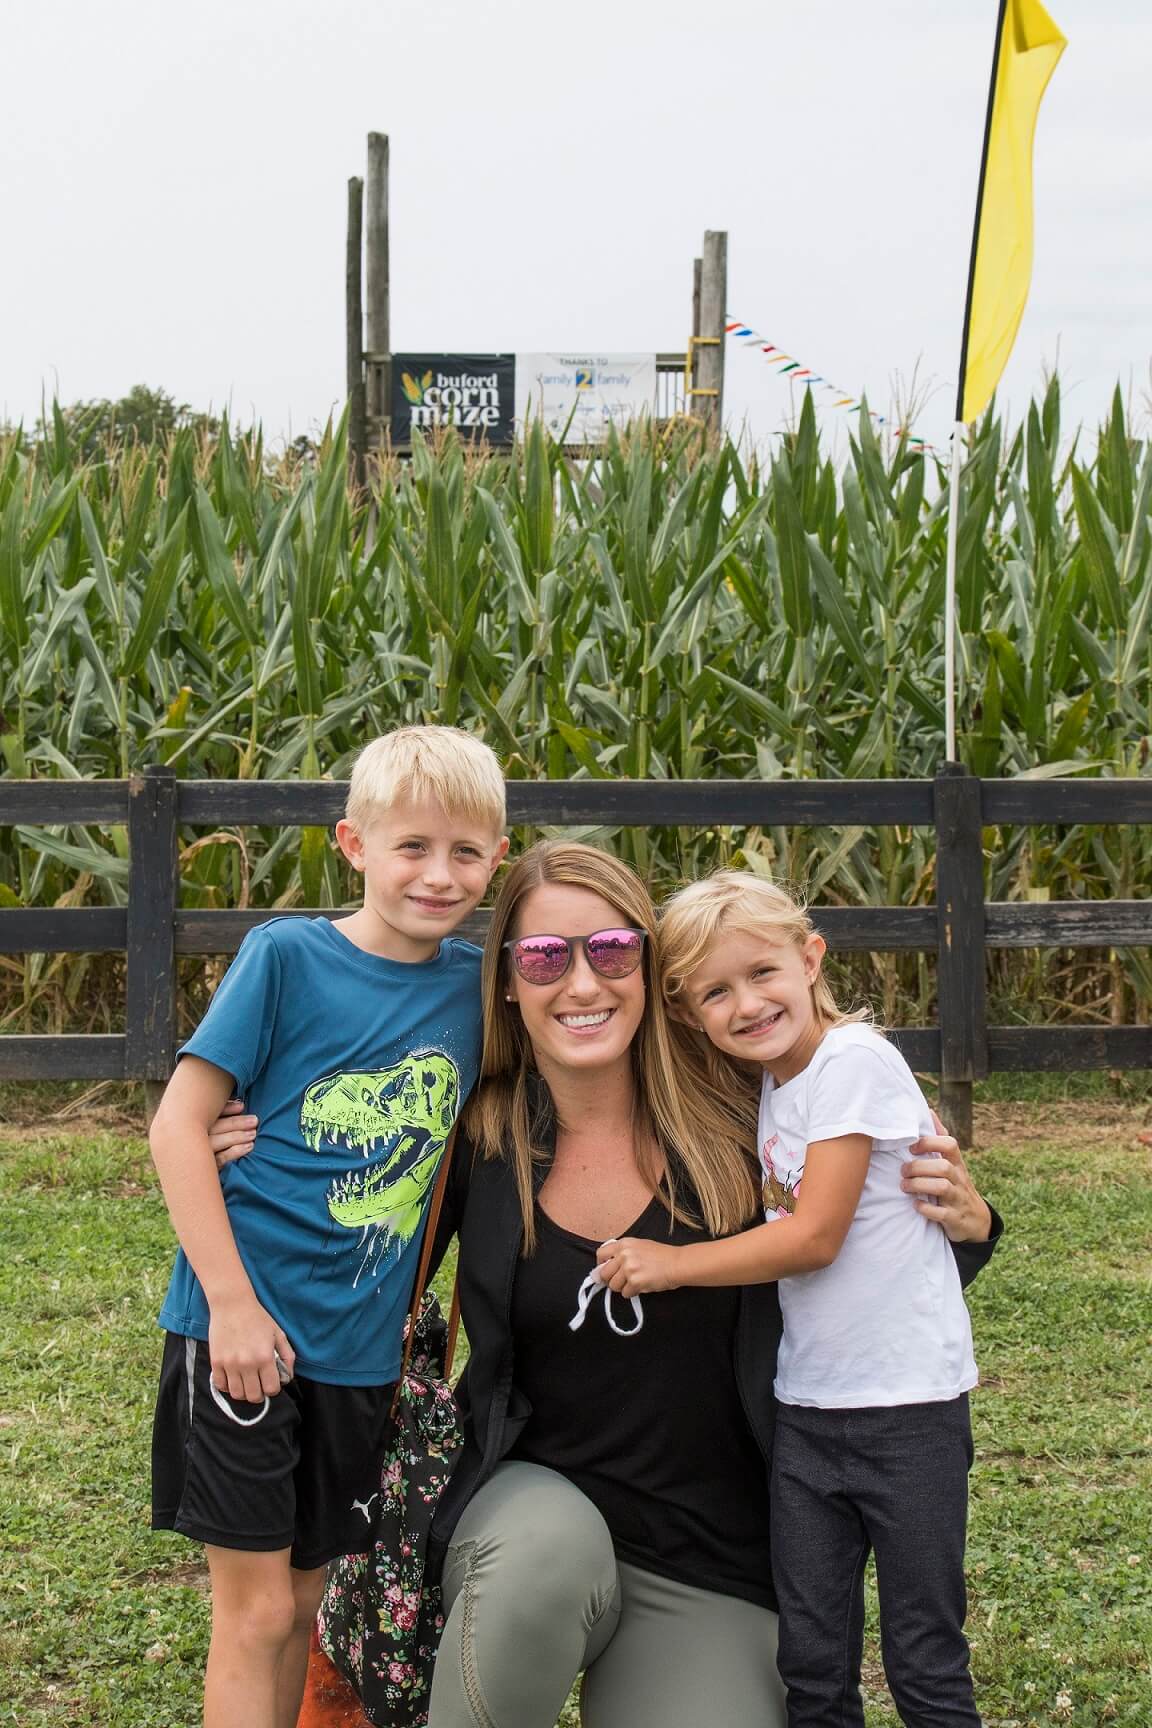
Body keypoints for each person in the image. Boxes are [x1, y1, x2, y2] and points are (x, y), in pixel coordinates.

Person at [209, 842, 999, 1728]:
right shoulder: (478, 1133)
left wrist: (972, 1221)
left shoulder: (749, 1111)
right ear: (508, 980)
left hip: (710, 1547)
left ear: (651, 972)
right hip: (535, 1506)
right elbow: (350, 1245)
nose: (581, 983)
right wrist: (254, 1150)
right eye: (545, 956)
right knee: (537, 1565)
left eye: (612, 950)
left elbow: (875, 1246)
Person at [148, 725, 508, 1728]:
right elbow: (180, 1123)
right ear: (354, 845)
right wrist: (229, 1306)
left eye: (466, 853)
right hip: (243, 1334)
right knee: (256, 1611)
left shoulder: (477, 992)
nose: (440, 875)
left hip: (359, 1358)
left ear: (497, 861)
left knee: (305, 1600)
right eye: (413, 847)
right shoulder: (286, 957)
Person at [598, 871, 985, 1727]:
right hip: (808, 1413)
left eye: (763, 972)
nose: (746, 1004)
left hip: (906, 1409)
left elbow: (815, 1237)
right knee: (811, 1662)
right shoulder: (776, 1084)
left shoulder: (853, 1060)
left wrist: (670, 1265)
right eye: (716, 992)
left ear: (811, 958)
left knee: (924, 1660)